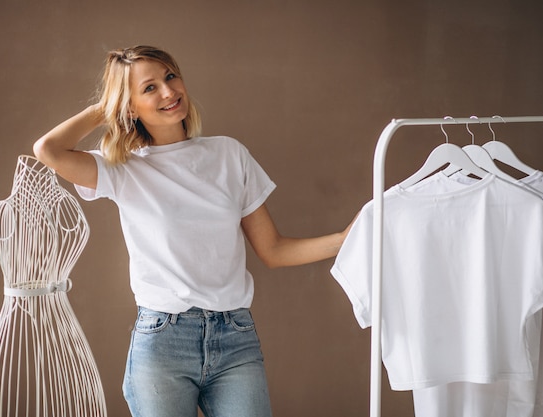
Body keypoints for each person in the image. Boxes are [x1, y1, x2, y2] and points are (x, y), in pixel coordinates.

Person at [33, 45, 354, 417]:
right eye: (149, 88)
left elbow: (274, 250)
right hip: (163, 341)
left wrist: (345, 239)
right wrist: (105, 107)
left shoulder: (230, 155)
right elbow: (48, 149)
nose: (169, 92)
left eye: (171, 77)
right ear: (129, 105)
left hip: (235, 336)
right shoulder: (122, 170)